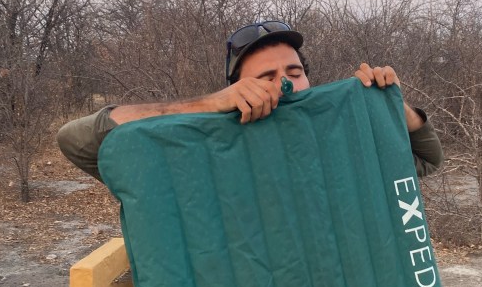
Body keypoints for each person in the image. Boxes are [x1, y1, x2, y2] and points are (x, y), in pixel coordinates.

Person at [57, 20, 443, 181]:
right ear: (236, 87)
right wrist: (208, 106)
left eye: (294, 74)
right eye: (266, 78)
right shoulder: (206, 148)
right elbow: (76, 141)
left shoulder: (337, 143)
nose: (285, 86)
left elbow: (426, 161)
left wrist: (390, 103)